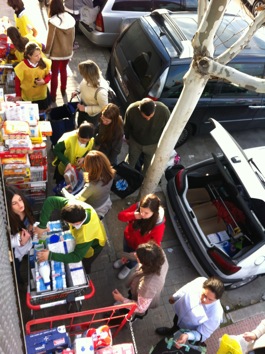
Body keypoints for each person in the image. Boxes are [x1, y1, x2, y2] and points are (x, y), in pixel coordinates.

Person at [35, 197, 106, 274]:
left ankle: (86, 271)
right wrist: (42, 226)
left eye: (67, 222)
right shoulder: (75, 206)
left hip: (94, 245)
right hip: (96, 228)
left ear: (77, 223)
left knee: (85, 262)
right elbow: (50, 201)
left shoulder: (85, 236)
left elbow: (76, 257)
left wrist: (50, 255)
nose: (66, 223)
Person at [155, 276, 224, 348]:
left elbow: (202, 334)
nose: (204, 300)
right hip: (179, 314)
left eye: (210, 300)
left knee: (178, 340)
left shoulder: (216, 315)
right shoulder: (200, 281)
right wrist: (175, 297)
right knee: (175, 324)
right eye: (204, 294)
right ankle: (170, 332)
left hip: (187, 330)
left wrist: (187, 335)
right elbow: (186, 288)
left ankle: (172, 340)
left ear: (217, 299)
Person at [113, 193, 166, 280]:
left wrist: (139, 254)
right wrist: (133, 215)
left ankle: (128, 267)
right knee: (126, 252)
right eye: (141, 210)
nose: (142, 214)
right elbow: (120, 216)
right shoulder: (137, 208)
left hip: (139, 249)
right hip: (128, 238)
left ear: (154, 212)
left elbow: (155, 246)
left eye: (146, 213)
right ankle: (124, 260)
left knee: (133, 259)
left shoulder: (158, 226)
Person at [112, 241, 169, 320]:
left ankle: (129, 317)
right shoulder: (159, 254)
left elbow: (140, 308)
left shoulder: (148, 285)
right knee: (132, 295)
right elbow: (139, 254)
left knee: (134, 308)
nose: (135, 255)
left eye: (138, 258)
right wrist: (128, 256)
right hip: (140, 290)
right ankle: (126, 304)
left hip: (144, 297)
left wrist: (121, 299)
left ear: (145, 264)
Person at [62, 150, 115, 219]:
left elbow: (75, 201)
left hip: (95, 210)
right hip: (104, 202)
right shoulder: (110, 173)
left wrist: (64, 191)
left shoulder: (92, 186)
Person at [124, 97, 170, 176]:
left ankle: (142, 179)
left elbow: (168, 129)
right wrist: (127, 138)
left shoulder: (164, 111)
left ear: (155, 106)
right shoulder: (131, 110)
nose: (148, 119)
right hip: (135, 142)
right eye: (145, 117)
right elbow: (126, 126)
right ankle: (127, 177)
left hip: (153, 145)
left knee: (148, 166)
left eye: (150, 116)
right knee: (130, 161)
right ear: (139, 109)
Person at [45, 0, 75, 104]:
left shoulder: (53, 21)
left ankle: (53, 96)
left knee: (54, 74)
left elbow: (50, 39)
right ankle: (63, 90)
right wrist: (70, 50)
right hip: (67, 52)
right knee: (63, 70)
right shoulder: (70, 19)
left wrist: (47, 53)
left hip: (56, 54)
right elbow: (73, 37)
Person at [5, 186, 35, 284]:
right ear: (8, 206)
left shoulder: (27, 204)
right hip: (15, 251)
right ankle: (20, 283)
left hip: (28, 243)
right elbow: (5, 241)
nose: (20, 204)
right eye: (14, 203)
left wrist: (33, 226)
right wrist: (20, 241)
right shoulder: (7, 220)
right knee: (15, 268)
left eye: (20, 199)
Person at [13, 42, 51, 112]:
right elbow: (17, 82)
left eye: (40, 54)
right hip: (28, 96)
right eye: (36, 55)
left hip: (41, 95)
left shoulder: (44, 63)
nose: (39, 56)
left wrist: (44, 81)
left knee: (42, 112)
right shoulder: (21, 67)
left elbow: (49, 75)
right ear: (29, 56)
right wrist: (18, 95)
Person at [72, 59, 109, 127]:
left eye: (83, 74)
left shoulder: (101, 91)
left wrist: (85, 109)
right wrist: (77, 90)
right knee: (80, 126)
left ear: (89, 75)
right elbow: (82, 83)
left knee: (88, 133)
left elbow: (104, 107)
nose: (82, 76)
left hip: (91, 116)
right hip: (82, 108)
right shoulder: (88, 78)